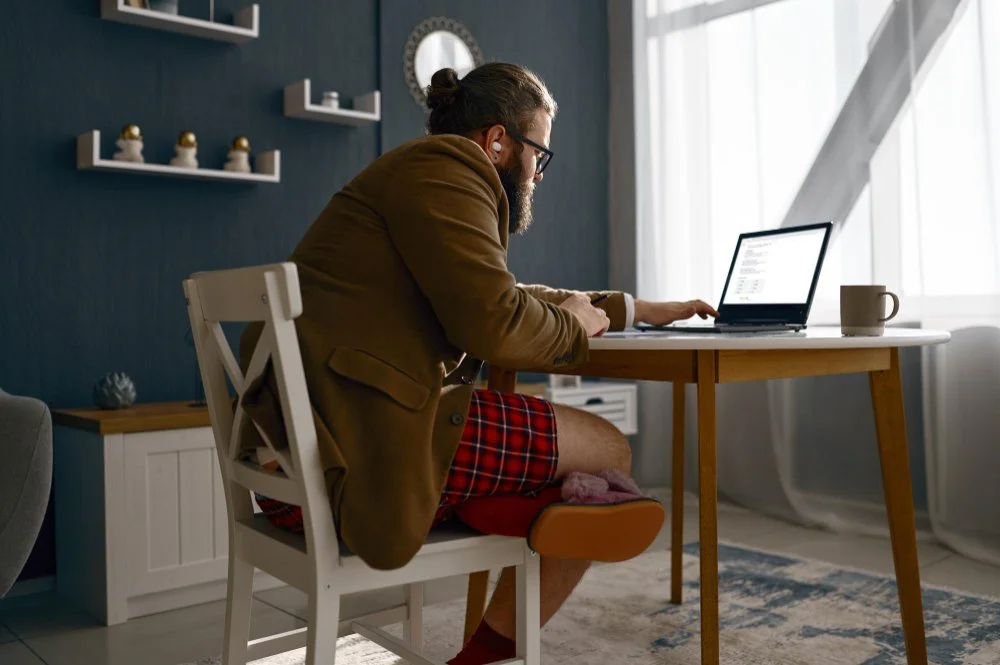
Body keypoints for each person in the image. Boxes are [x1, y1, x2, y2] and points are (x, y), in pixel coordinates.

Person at [238, 62, 717, 665]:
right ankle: (484, 654)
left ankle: (532, 513)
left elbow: (503, 295)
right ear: (497, 141)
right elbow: (495, 323)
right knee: (607, 452)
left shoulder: (419, 171)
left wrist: (628, 307)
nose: (537, 173)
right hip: (346, 458)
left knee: (569, 475)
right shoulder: (447, 170)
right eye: (538, 153)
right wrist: (575, 324)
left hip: (302, 455)